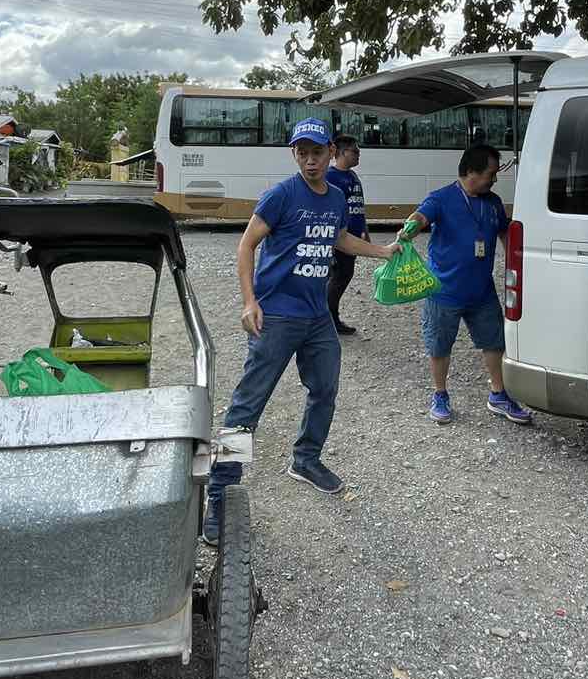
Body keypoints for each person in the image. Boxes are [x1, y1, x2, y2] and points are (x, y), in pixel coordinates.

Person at [204, 118, 397, 544]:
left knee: (325, 389)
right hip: (275, 317)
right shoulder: (280, 195)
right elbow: (245, 245)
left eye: (316, 152)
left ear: (331, 151)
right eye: (301, 153)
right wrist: (249, 301)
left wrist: (381, 251)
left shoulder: (336, 198)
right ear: (295, 155)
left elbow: (340, 238)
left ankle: (306, 459)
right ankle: (216, 495)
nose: (310, 160)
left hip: (316, 318)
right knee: (246, 408)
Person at [402, 143, 533, 426]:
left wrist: (519, 266)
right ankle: (440, 394)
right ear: (471, 172)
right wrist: (409, 229)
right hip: (442, 291)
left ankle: (499, 394)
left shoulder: (493, 202)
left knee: (495, 342)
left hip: (482, 292)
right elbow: (421, 216)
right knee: (439, 346)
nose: (495, 179)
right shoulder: (442, 198)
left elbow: (504, 235)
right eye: (491, 173)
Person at [324, 134, 367, 336]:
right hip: (340, 240)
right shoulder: (331, 177)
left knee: (342, 276)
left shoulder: (352, 176)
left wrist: (364, 230)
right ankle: (329, 320)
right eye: (355, 151)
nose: (359, 154)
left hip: (355, 238)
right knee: (339, 277)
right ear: (341, 152)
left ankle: (328, 318)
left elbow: (358, 207)